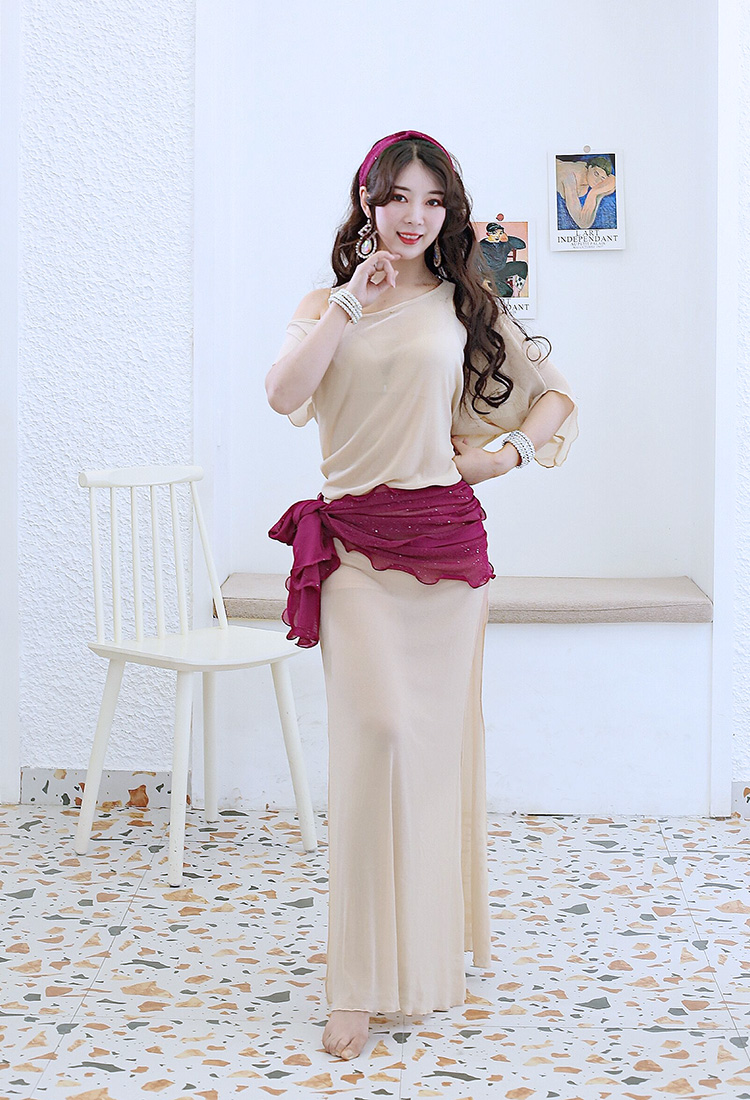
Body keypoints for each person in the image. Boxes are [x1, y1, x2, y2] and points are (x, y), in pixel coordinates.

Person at [265, 130, 578, 1061]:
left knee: (435, 758)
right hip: (356, 551)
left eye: (433, 201)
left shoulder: (463, 305)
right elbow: (283, 394)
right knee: (380, 741)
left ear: (449, 213)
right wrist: (348, 307)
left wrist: (501, 456)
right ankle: (355, 986)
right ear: (368, 202)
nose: (415, 216)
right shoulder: (325, 305)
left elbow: (554, 397)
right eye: (398, 196)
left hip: (446, 553)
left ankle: (431, 948)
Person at [555, 154, 617, 230]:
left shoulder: (587, 171)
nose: (597, 181)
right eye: (596, 174)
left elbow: (613, 180)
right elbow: (582, 223)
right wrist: (593, 194)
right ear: (590, 167)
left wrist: (598, 195)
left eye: (602, 178)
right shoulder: (570, 178)